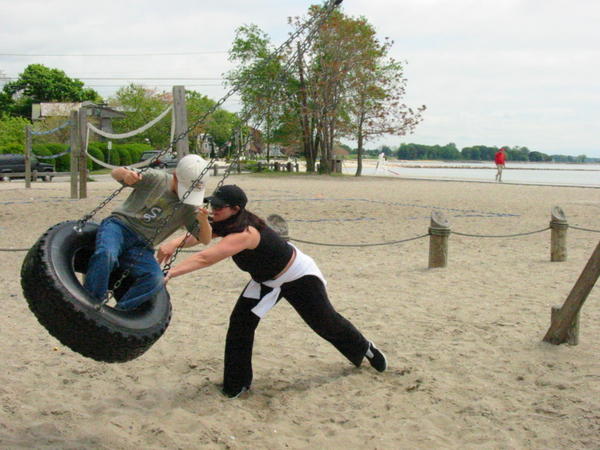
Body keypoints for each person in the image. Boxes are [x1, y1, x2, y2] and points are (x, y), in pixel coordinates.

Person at [160, 184, 387, 398]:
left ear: (236, 209)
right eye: (212, 205)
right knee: (240, 323)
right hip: (265, 281)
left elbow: (206, 257)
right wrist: (173, 244)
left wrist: (171, 273)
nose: (213, 210)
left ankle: (365, 348)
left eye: (218, 206)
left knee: (325, 322)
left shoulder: (245, 233)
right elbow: (201, 234)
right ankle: (236, 385)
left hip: (298, 276)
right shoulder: (225, 220)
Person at [83, 154, 212, 310]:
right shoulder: (156, 178)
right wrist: (126, 175)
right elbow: (116, 172)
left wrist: (204, 221)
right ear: (176, 177)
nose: (185, 196)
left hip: (142, 246)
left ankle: (120, 312)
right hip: (119, 227)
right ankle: (93, 300)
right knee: (107, 254)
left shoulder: (188, 206)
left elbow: (205, 239)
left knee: (156, 278)